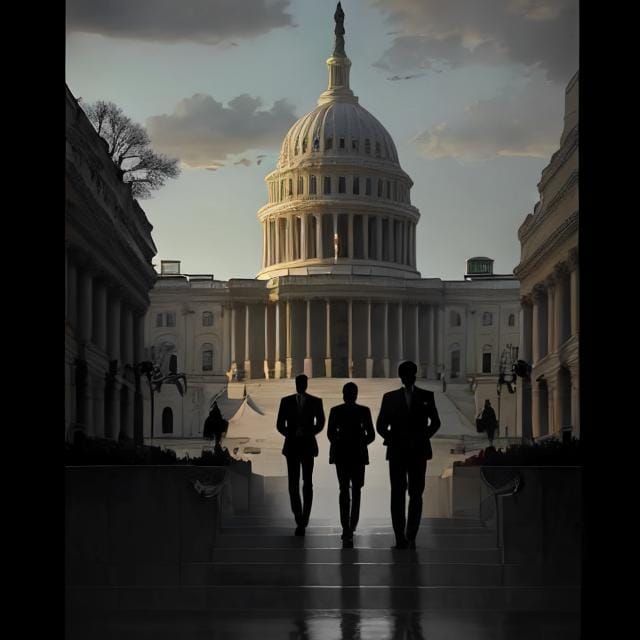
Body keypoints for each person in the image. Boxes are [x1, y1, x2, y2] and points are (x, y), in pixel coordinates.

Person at [376, 360, 441, 550]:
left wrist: (422, 437)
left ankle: (410, 534)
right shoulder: (390, 397)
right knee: (397, 494)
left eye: (410, 374)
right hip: (397, 451)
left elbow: (435, 422)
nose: (407, 377)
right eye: (404, 374)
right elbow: (381, 425)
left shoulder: (426, 396)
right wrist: (392, 438)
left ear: (414, 375)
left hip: (417, 451)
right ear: (401, 376)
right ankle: (399, 536)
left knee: (415, 493)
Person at [327, 382, 375, 547]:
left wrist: (341, 442)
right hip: (358, 455)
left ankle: (346, 526)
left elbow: (330, 434)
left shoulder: (336, 411)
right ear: (356, 395)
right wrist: (360, 443)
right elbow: (371, 435)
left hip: (342, 455)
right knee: (356, 491)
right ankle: (351, 524)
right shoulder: (363, 411)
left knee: (344, 491)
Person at [276, 374, 325, 536]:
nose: (300, 386)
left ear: (305, 384)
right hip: (295, 445)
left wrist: (306, 433)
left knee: (306, 483)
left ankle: (304, 518)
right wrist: (292, 433)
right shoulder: (287, 401)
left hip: (305, 446)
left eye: (302, 383)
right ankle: (299, 517)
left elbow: (320, 423)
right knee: (294, 483)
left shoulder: (315, 401)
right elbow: (280, 424)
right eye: (298, 383)